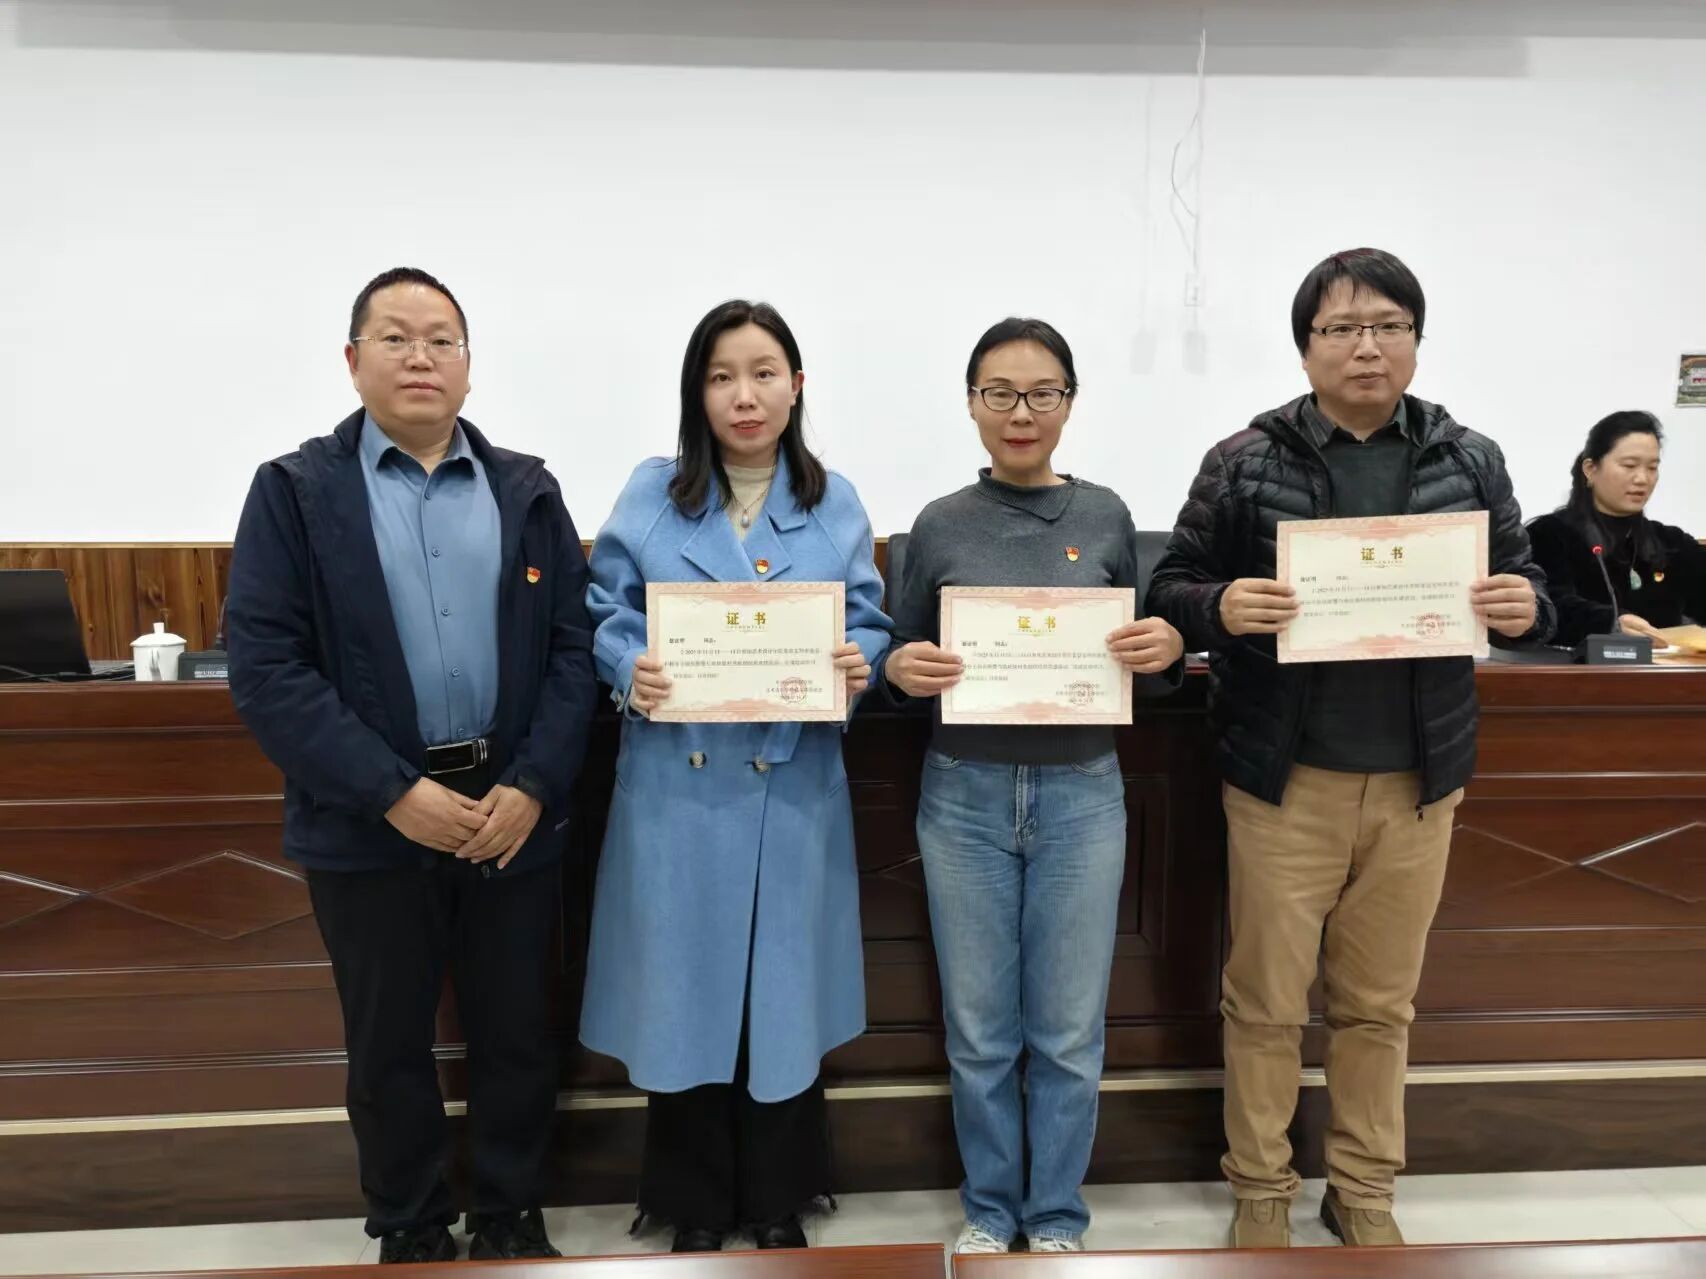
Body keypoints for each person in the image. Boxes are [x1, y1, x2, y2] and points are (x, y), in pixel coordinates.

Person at [1146, 249, 1555, 1249]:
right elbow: (1171, 585)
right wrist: (1219, 605)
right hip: (1283, 781)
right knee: (1264, 1004)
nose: (1366, 346)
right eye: (1340, 328)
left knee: (1379, 1006)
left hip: (1419, 782)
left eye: (1387, 325)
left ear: (1415, 339)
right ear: (1305, 348)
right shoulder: (1243, 459)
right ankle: (1259, 1189)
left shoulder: (1470, 458)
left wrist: (1526, 605)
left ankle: (1364, 1190)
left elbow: (1530, 584)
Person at [226, 268, 597, 1262]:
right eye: (395, 337)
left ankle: (511, 1213)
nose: (420, 356)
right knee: (388, 1039)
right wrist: (392, 790)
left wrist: (532, 783)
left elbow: (574, 651)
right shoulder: (296, 492)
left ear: (469, 365)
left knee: (516, 1027)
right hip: (369, 814)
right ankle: (411, 1223)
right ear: (353, 361)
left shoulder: (526, 489)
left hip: (510, 807)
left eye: (441, 339)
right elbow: (267, 669)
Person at [578, 300, 891, 1253]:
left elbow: (868, 618)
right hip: (677, 788)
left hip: (789, 782)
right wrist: (626, 665)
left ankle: (779, 1197)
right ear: (697, 394)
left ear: (797, 385)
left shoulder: (835, 501)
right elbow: (605, 609)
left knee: (781, 1000)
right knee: (684, 997)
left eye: (763, 373)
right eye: (721, 377)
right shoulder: (652, 491)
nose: (744, 396)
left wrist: (860, 661)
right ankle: (694, 1203)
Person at [882, 318, 1185, 1255]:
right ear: (971, 403)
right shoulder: (938, 524)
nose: (1021, 412)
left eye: (1042, 392)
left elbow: (1147, 667)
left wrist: (1167, 647)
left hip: (1083, 794)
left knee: (1066, 1029)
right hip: (963, 793)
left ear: (1069, 402)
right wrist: (898, 669)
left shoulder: (1105, 516)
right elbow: (897, 657)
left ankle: (1055, 1215)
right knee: (979, 1029)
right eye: (1000, 393)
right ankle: (988, 1208)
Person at [1525, 410, 1705, 647]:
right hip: (1578, 667)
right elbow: (1548, 607)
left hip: (1665, 669)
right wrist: (1609, 623)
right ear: (1590, 469)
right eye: (1629, 465)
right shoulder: (1548, 535)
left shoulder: (1671, 542)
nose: (1642, 479)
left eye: (1652, 468)